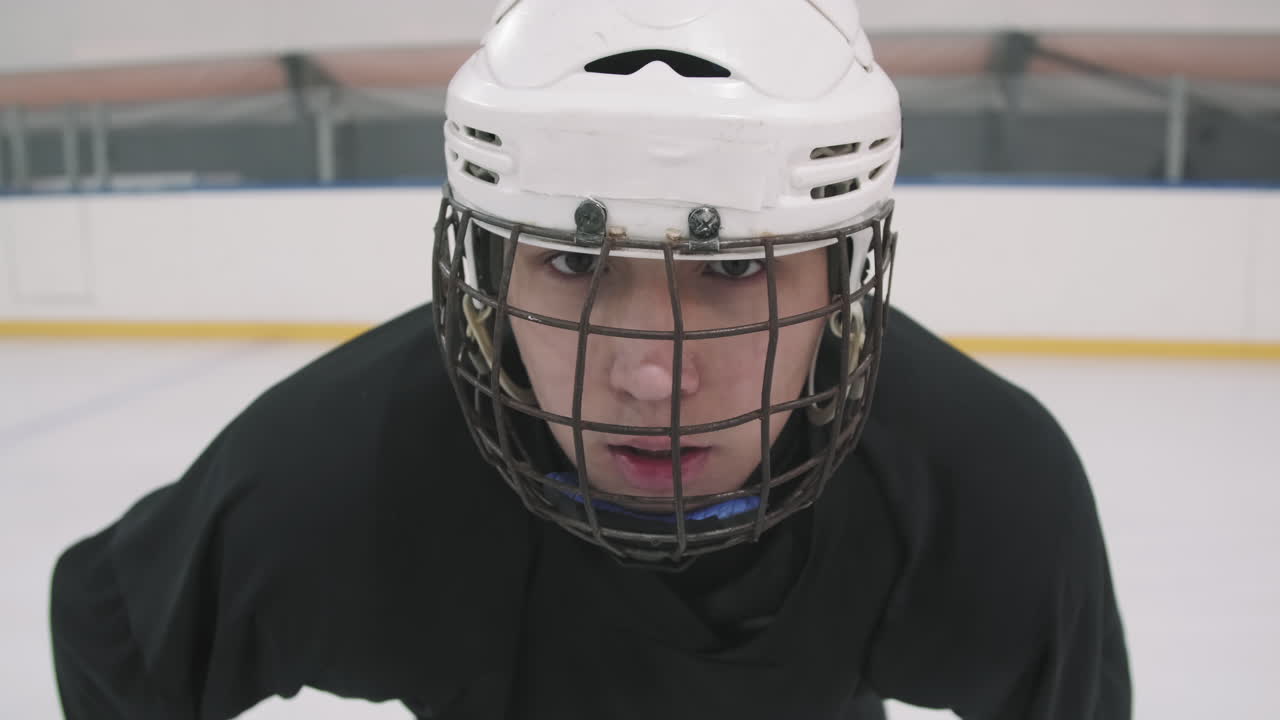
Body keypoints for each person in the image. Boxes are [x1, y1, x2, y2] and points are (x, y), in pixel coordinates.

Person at [50, 1, 1131, 718]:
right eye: (572, 261)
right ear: (487, 272)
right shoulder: (341, 475)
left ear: (838, 283)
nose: (648, 373)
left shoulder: (979, 493)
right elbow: (115, 634)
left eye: (732, 271)